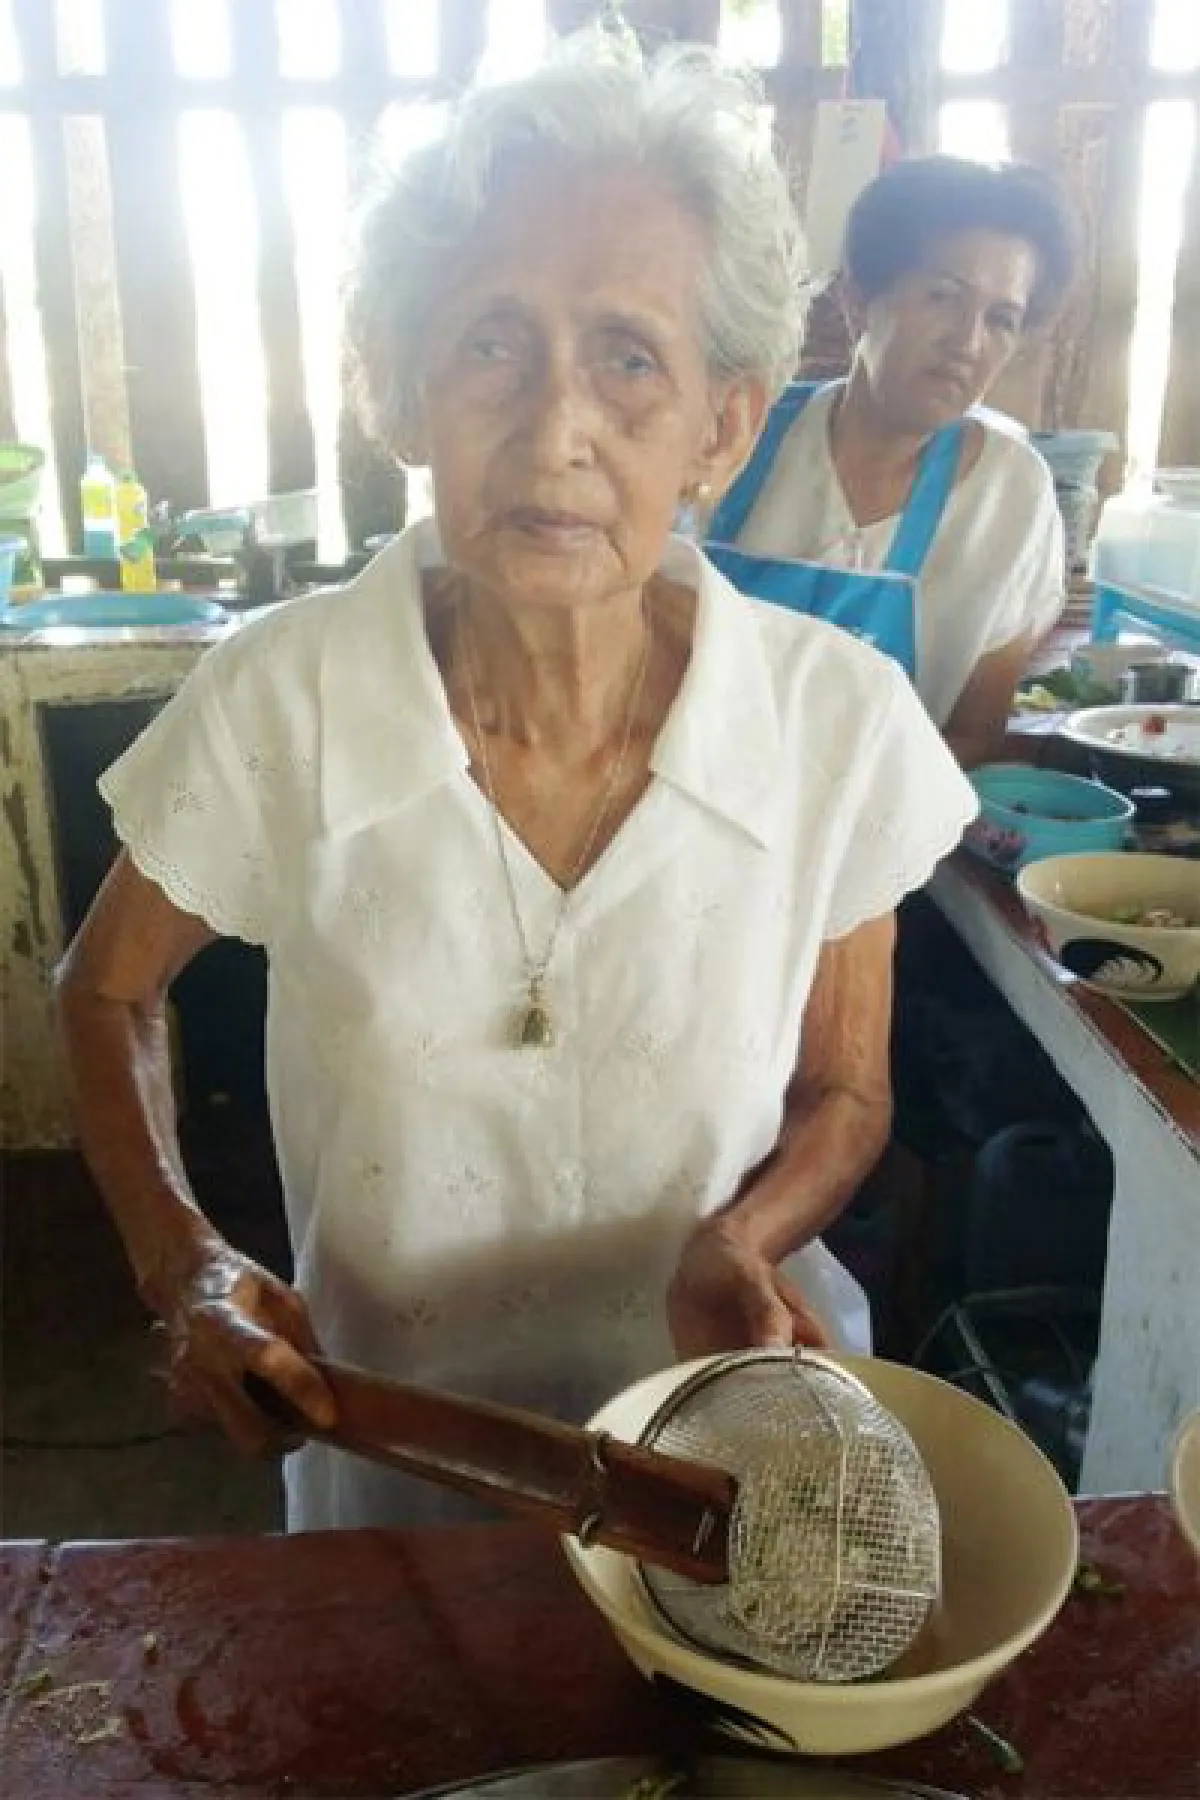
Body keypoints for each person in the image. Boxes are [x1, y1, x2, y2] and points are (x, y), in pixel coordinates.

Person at [56, 37, 976, 1531]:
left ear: (722, 427)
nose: (557, 433)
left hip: (724, 1459)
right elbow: (103, 992)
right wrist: (188, 1263)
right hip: (399, 1457)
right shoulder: (286, 695)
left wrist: (753, 1234)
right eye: (491, 342)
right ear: (402, 395)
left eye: (630, 357)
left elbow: (845, 1087)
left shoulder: (834, 721)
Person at [705, 155, 1079, 767]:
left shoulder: (1010, 495)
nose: (968, 343)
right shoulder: (738, 434)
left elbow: (975, 736)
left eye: (1001, 319)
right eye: (942, 298)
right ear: (859, 300)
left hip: (879, 832)